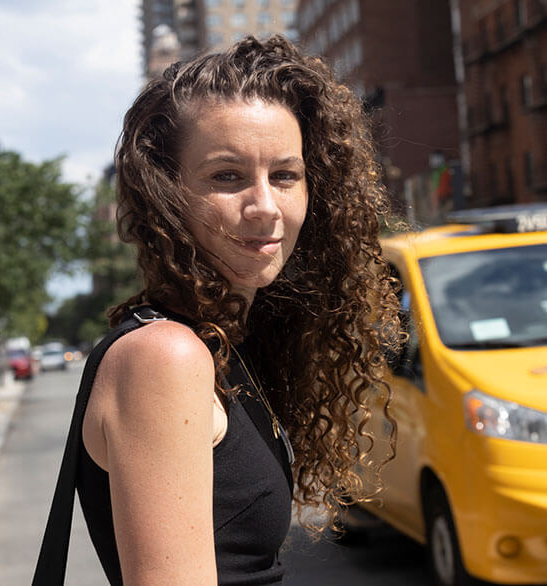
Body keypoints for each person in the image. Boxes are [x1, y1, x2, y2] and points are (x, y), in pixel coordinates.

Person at [34, 35, 400, 586]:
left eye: (284, 175)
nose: (264, 207)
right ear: (166, 192)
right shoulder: (166, 357)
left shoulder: (226, 343)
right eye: (226, 176)